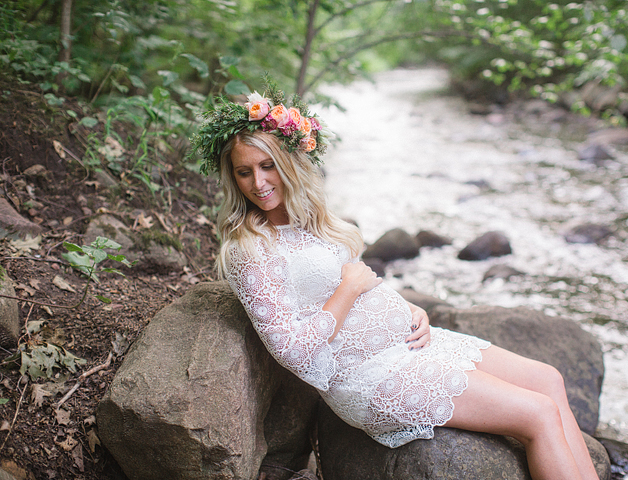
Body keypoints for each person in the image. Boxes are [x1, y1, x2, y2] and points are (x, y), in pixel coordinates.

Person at [190, 80, 600, 480]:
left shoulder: (313, 221)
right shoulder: (250, 250)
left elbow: (364, 281)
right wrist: (348, 290)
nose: (258, 183)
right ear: (233, 179)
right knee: (537, 413)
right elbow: (292, 351)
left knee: (549, 379)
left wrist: (409, 308)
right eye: (244, 173)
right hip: (369, 375)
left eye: (267, 167)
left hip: (408, 342)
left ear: (290, 164)